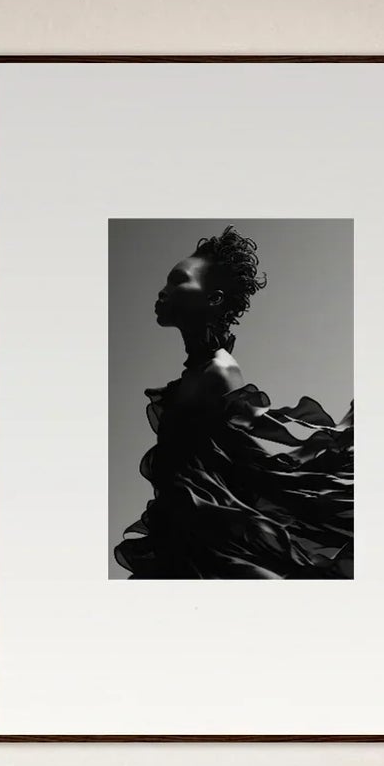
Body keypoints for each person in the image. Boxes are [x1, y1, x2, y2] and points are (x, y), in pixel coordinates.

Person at [113, 225, 354, 580]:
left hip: (204, 536)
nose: (163, 291)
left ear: (214, 299)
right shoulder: (197, 371)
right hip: (180, 528)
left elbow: (252, 456)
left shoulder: (219, 372)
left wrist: (334, 440)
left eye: (178, 280)